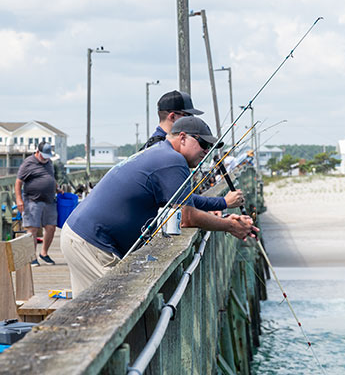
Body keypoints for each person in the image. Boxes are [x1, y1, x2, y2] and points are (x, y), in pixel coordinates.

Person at [61, 116, 258, 295]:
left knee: (93, 314)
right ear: (183, 137)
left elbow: (185, 200)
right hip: (93, 243)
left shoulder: (160, 154)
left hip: (81, 236)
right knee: (109, 310)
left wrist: (222, 206)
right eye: (203, 144)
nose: (207, 151)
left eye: (210, 147)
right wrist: (229, 225)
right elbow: (187, 217)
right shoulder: (173, 161)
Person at [143, 89, 243, 212]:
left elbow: (179, 197)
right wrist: (221, 202)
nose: (192, 119)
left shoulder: (159, 146)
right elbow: (180, 201)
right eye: (188, 115)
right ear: (173, 116)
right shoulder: (163, 150)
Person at [15, 141, 60, 266]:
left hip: (49, 200)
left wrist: (56, 188)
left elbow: (50, 177)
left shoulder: (49, 162)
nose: (45, 159)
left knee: (51, 227)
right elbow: (18, 182)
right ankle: (32, 257)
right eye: (43, 156)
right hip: (32, 200)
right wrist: (19, 200)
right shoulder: (28, 163)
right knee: (32, 229)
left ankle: (44, 253)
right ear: (37, 152)